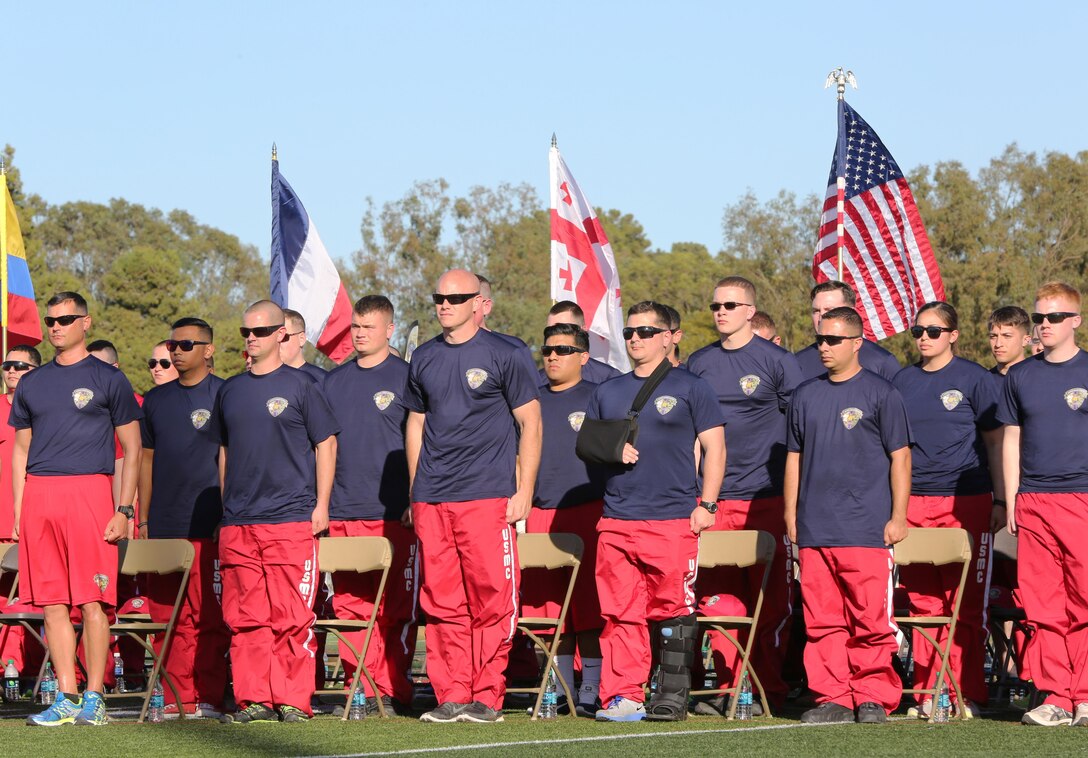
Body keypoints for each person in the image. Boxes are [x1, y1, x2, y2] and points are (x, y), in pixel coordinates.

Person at [405, 268, 541, 724]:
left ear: (478, 302)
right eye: (439, 297)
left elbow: (531, 423)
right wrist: (414, 490)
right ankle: (451, 694)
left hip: (486, 495)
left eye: (456, 297)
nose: (445, 304)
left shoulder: (508, 351)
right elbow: (416, 425)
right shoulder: (423, 357)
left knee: (491, 599)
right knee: (441, 600)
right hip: (432, 497)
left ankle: (487, 695)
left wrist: (524, 490)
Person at [588, 301, 725, 723]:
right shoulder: (607, 390)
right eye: (630, 332)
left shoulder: (691, 386)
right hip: (616, 519)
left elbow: (716, 448)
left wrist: (707, 503)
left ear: (670, 337)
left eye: (646, 331)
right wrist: (612, 450)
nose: (636, 339)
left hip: (671, 518)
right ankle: (623, 697)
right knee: (619, 613)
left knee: (673, 610)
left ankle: (670, 695)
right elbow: (589, 450)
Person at [12, 291, 143, 727]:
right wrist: (18, 509)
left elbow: (132, 445)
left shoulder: (109, 378)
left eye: (66, 319)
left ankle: (94, 696)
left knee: (93, 600)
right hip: (40, 495)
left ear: (85, 323)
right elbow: (20, 451)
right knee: (51, 602)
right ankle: (65, 695)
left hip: (90, 493)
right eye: (51, 320)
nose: (56, 326)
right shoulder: (31, 382)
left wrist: (123, 508)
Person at [212, 300, 339, 724]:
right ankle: (254, 700)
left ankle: (291, 699)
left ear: (281, 334)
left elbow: (327, 444)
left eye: (261, 331)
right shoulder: (229, 389)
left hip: (290, 519)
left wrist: (321, 506)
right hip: (239, 524)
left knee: (291, 617)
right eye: (246, 332)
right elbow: (225, 452)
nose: (252, 338)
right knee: (245, 619)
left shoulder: (303, 385)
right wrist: (226, 509)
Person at [784, 306, 911, 725]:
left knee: (870, 618)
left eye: (834, 339)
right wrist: (790, 515)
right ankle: (832, 696)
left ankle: (873, 694)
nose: (824, 347)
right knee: (822, 620)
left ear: (857, 343)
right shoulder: (805, 394)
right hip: (815, 526)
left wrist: (898, 515)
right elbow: (794, 459)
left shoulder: (881, 392)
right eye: (820, 338)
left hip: (866, 528)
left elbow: (901, 457)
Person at [686, 276, 802, 714]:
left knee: (770, 604)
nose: (722, 312)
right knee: (718, 604)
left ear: (751, 311)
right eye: (716, 304)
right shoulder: (699, 363)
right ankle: (730, 688)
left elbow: (799, 434)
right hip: (714, 500)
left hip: (766, 498)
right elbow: (692, 435)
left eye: (731, 305)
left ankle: (764, 689)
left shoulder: (778, 362)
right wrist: (697, 496)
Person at [892, 302, 1003, 718]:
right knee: (923, 603)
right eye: (918, 330)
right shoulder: (901, 381)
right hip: (914, 500)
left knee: (966, 603)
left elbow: (996, 443)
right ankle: (928, 693)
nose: (924, 337)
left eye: (934, 331)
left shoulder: (975, 378)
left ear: (953, 335)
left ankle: (965, 692)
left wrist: (1001, 498)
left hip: (968, 500)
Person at [321, 295, 418, 715]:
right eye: (356, 327)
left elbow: (423, 443)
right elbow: (322, 447)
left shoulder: (409, 378)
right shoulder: (333, 381)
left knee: (395, 607)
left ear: (389, 330)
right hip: (343, 509)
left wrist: (415, 498)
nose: (360, 334)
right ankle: (358, 687)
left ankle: (392, 688)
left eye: (369, 327)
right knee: (350, 607)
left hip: (394, 512)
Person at [998, 281, 1088, 727]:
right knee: (1044, 605)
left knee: (1085, 599)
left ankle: (1086, 694)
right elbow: (1011, 437)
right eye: (1040, 318)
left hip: (1082, 497)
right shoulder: (1020, 375)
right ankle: (1057, 696)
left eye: (1054, 317)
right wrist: (1014, 497)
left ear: (1075, 321)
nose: (1045, 325)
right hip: (1033, 499)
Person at [137, 317, 229, 718]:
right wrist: (142, 518)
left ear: (208, 350)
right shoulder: (156, 400)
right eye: (173, 344)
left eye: (186, 344)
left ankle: (206, 696)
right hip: (164, 527)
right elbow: (146, 460)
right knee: (166, 619)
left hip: (209, 524)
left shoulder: (227, 394)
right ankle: (176, 696)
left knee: (208, 617)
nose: (176, 350)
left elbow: (235, 458)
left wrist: (229, 513)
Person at [522, 322, 606, 717]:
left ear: (584, 357)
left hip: (589, 511)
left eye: (564, 350)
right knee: (549, 609)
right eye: (548, 349)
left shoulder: (600, 397)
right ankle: (559, 688)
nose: (553, 356)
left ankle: (591, 687)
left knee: (588, 607)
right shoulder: (530, 400)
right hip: (540, 511)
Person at [0, 347, 41, 675]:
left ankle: (27, 669)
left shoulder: (45, 411)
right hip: (1, 522)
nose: (11, 371)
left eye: (20, 366)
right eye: (7, 365)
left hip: (34, 520)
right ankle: (5, 669)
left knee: (31, 600)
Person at [794, 282, 900, 381]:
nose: (821, 317)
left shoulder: (882, 362)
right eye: (816, 311)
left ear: (851, 312)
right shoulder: (797, 363)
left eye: (829, 310)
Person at [543, 301, 622, 384]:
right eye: (550, 330)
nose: (554, 334)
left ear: (583, 330)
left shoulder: (608, 379)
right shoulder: (536, 382)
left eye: (564, 329)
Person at [280, 309, 328, 383]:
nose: (277, 342)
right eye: (272, 338)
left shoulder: (323, 381)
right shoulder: (259, 380)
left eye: (283, 337)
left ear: (301, 339)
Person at [988, 306, 1032, 378]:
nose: (998, 344)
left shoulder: (1039, 380)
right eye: (993, 336)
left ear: (1025, 340)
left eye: (1007, 336)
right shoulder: (982, 383)